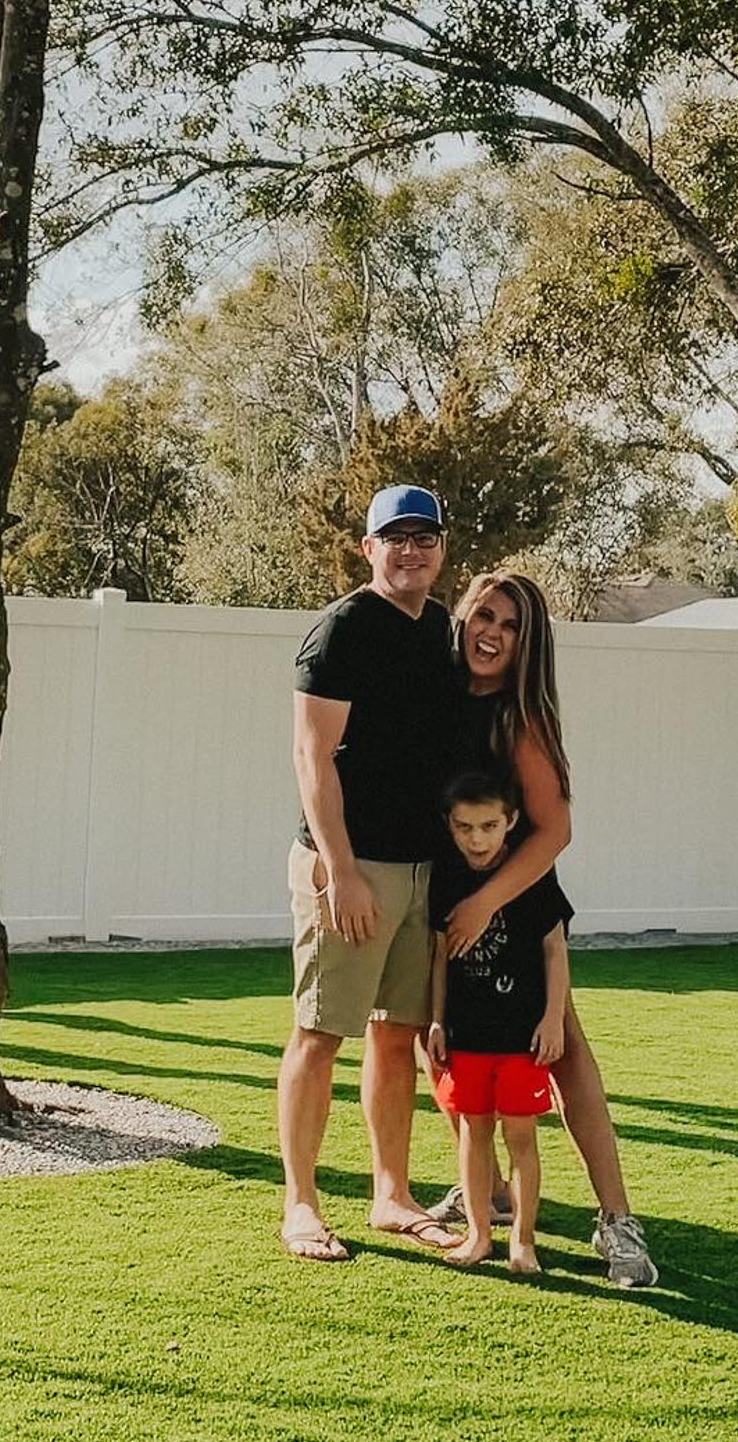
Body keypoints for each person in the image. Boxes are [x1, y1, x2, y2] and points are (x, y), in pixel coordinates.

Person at [431, 568, 660, 1290]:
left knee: (559, 1044)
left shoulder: (518, 717)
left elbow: (555, 829)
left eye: (509, 626)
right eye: (483, 616)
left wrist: (486, 903)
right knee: (445, 1044)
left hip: (515, 904)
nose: (491, 634)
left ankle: (617, 1220)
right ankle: (489, 1194)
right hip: (441, 899)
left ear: (527, 646)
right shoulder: (439, 697)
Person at [278, 484, 462, 1262]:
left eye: (425, 537)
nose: (412, 550)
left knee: (398, 1040)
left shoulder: (442, 628)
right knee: (320, 1035)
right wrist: (342, 871)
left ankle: (392, 1196)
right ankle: (301, 1206)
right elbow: (310, 756)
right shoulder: (343, 630)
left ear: (441, 548)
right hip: (349, 867)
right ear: (369, 548)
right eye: (397, 538)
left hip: (423, 868)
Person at [427, 769, 573, 1273]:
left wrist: (553, 1019)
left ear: (510, 821)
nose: (477, 838)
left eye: (489, 826)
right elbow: (441, 954)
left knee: (520, 1137)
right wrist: (438, 1020)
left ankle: (523, 1240)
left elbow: (555, 949)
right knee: (473, 1131)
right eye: (465, 827)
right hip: (467, 1037)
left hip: (521, 1039)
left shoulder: (532, 876)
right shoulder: (446, 877)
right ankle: (478, 1233)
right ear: (449, 825)